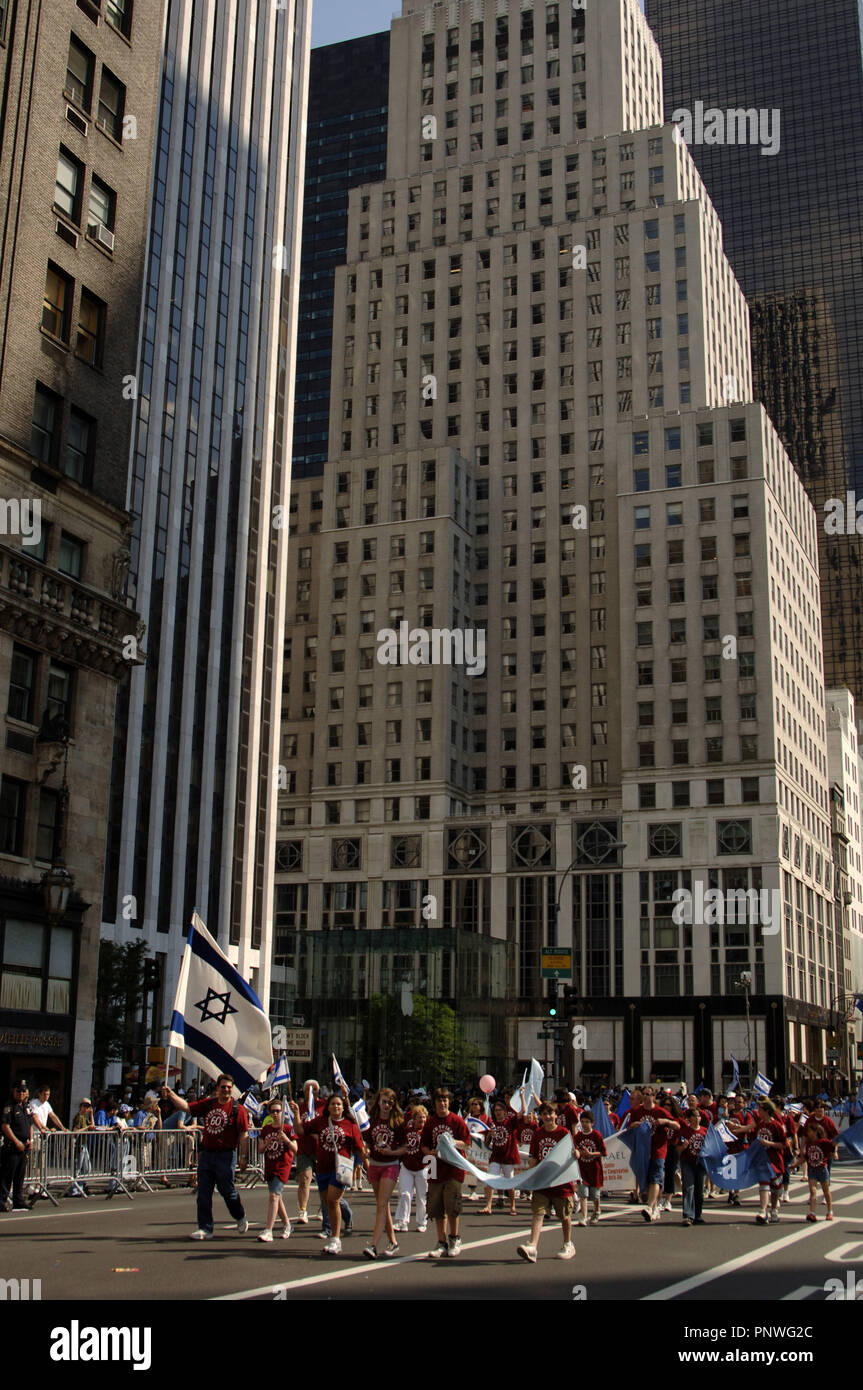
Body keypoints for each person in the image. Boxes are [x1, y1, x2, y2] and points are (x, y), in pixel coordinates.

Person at [162, 1075, 250, 1240]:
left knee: (227, 1191)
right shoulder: (209, 1104)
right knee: (203, 1192)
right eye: (223, 1087)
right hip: (207, 1154)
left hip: (226, 1155)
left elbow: (244, 1134)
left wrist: (243, 1157)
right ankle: (205, 1228)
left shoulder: (238, 1109)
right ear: (217, 1088)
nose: (226, 1090)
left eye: (229, 1087)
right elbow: (188, 1107)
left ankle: (239, 1215)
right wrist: (172, 1095)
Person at [290, 1088, 366, 1256]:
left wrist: (369, 1164)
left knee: (332, 1201)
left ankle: (335, 1239)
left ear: (343, 1107)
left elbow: (359, 1148)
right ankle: (336, 1232)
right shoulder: (321, 1122)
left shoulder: (350, 1125)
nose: (336, 1107)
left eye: (339, 1104)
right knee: (328, 1203)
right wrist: (296, 1113)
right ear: (328, 1107)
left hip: (340, 1169)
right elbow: (301, 1130)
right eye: (333, 1104)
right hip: (323, 1167)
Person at [516, 1100, 576, 1263]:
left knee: (564, 1215)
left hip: (560, 1180)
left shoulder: (564, 1133)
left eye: (551, 1113)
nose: (548, 1116)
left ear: (556, 1115)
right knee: (538, 1212)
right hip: (543, 1180)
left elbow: (572, 1153)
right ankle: (533, 1246)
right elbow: (534, 1157)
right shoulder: (538, 1133)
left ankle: (567, 1243)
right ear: (540, 1117)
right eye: (544, 1114)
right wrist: (529, 1174)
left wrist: (576, 1155)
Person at [420, 1087, 471, 1259]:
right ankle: (440, 1241)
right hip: (436, 1168)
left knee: (452, 1205)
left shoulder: (456, 1121)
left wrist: (452, 1142)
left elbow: (467, 1143)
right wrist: (430, 1152)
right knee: (436, 1206)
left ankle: (454, 1238)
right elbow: (424, 1145)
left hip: (453, 1169)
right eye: (439, 1101)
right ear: (434, 1104)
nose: (442, 1104)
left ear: (449, 1102)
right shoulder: (431, 1122)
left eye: (445, 1100)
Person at [363, 1088, 406, 1259]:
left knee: (381, 1205)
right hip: (374, 1164)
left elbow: (405, 1147)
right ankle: (393, 1242)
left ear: (394, 1104)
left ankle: (373, 1245)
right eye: (383, 1102)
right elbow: (366, 1139)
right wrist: (366, 1149)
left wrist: (392, 1152)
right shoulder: (372, 1120)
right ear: (378, 1102)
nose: (386, 1105)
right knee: (383, 1205)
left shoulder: (398, 1122)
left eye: (389, 1102)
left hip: (390, 1165)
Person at [627, 1086, 680, 1222]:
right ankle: (655, 1208)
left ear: (654, 1097)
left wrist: (666, 1121)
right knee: (647, 1180)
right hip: (643, 1151)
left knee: (656, 1178)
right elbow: (628, 1128)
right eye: (644, 1094)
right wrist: (633, 1125)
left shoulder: (660, 1111)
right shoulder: (636, 1111)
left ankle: (650, 1207)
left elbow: (677, 1125)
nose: (646, 1097)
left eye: (649, 1094)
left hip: (658, 1149)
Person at [257, 1098, 297, 1241]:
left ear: (282, 1112)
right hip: (270, 1165)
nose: (275, 1114)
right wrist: (266, 1143)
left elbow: (295, 1148)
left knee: (274, 1196)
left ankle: (269, 1230)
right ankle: (287, 1224)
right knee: (277, 1197)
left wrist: (286, 1139)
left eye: (278, 1111)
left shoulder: (287, 1128)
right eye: (273, 1111)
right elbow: (260, 1149)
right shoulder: (266, 1130)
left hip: (282, 1166)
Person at [479, 1099, 520, 1216]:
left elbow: (522, 1112)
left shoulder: (510, 1122)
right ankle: (488, 1205)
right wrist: (490, 1134)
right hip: (496, 1157)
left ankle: (512, 1205)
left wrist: (521, 1097)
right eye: (496, 1110)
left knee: (510, 1182)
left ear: (505, 1111)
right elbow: (486, 1144)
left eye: (500, 1110)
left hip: (508, 1157)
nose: (497, 1112)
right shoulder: (493, 1125)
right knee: (490, 1180)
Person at [393, 1102, 429, 1233]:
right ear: (414, 1118)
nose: (422, 1119)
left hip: (423, 1168)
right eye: (420, 1117)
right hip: (407, 1166)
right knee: (404, 1194)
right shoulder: (407, 1130)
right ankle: (402, 1222)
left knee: (421, 1197)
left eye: (424, 1117)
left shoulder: (428, 1132)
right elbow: (400, 1142)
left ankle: (422, 1222)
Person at [1, 1080, 34, 1212]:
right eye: (18, 1091)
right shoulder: (9, 1106)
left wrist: (31, 1140)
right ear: (13, 1091)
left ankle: (18, 1201)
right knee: (7, 1176)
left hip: (24, 1147)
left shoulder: (26, 1106)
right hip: (12, 1147)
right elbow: (5, 1126)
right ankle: (1, 1201)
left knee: (20, 1176)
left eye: (23, 1091)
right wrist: (16, 1142)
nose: (21, 1093)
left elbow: (30, 1124)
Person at [792, 1121, 834, 1222]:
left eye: (810, 1131)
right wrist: (794, 1165)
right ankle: (812, 1213)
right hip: (812, 1170)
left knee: (826, 1191)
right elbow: (805, 1158)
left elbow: (832, 1146)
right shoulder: (809, 1144)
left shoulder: (823, 1142)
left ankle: (830, 1211)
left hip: (822, 1169)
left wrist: (833, 1153)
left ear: (816, 1132)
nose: (808, 1134)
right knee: (813, 1191)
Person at [293, 1079, 322, 1224]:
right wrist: (296, 1113)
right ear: (303, 1092)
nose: (311, 1092)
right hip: (305, 1148)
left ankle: (323, 1209)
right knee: (305, 1179)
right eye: (308, 1090)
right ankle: (302, 1210)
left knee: (324, 1182)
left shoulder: (324, 1106)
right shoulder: (300, 1107)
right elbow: (298, 1129)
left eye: (314, 1089)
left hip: (322, 1149)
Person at [572, 1108, 606, 1226]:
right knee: (583, 1194)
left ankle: (597, 1211)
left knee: (595, 1195)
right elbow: (575, 1149)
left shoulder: (597, 1135)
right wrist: (577, 1152)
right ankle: (584, 1216)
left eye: (587, 1121)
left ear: (592, 1123)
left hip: (594, 1169)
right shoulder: (578, 1137)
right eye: (583, 1121)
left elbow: (602, 1152)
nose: (585, 1124)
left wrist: (591, 1154)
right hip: (582, 1170)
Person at [675, 1107, 707, 1226]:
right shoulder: (685, 1132)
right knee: (688, 1188)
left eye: (698, 1116)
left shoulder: (705, 1131)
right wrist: (683, 1147)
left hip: (701, 1163)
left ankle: (697, 1215)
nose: (697, 1118)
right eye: (694, 1116)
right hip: (687, 1161)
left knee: (699, 1190)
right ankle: (688, 1215)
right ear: (689, 1118)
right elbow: (677, 1149)